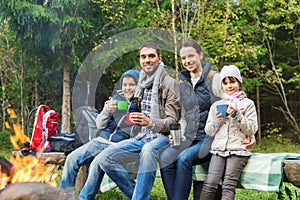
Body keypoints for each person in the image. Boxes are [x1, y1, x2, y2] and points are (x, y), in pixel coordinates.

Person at [97, 42, 181, 200]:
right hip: (140, 136)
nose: (147, 60)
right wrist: (111, 107)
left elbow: (173, 120)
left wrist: (150, 123)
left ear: (159, 59)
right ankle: (139, 196)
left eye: (151, 56)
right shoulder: (141, 83)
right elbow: (131, 106)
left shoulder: (170, 84)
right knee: (104, 158)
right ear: (140, 60)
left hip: (162, 137)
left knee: (148, 150)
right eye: (143, 57)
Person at [59, 69, 140, 200]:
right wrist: (107, 110)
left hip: (119, 145)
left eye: (132, 85)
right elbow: (99, 124)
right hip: (101, 141)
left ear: (138, 85)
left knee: (97, 163)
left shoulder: (141, 103)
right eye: (125, 85)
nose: (127, 88)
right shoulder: (116, 99)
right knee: (72, 159)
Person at [159, 40, 221, 200]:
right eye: (183, 58)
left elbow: (236, 102)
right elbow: (184, 116)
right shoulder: (183, 84)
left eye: (191, 56)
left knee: (184, 158)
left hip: (210, 138)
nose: (187, 61)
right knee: (165, 158)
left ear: (200, 55)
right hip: (190, 138)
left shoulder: (215, 79)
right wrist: (178, 135)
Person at [200, 65, 258, 200]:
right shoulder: (216, 105)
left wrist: (236, 114)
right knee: (210, 183)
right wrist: (216, 121)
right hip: (218, 149)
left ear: (239, 82)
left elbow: (252, 129)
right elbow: (208, 131)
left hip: (238, 149)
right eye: (225, 83)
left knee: (228, 185)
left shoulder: (248, 104)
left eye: (232, 82)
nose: (229, 86)